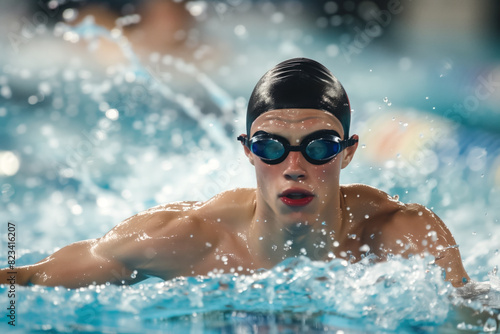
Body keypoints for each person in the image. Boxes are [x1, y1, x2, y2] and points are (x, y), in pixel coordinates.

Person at [1, 58, 469, 288]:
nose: (294, 168)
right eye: (271, 147)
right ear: (248, 151)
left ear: (348, 153)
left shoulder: (406, 237)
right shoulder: (185, 239)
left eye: (320, 146)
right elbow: (27, 282)